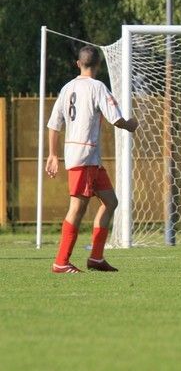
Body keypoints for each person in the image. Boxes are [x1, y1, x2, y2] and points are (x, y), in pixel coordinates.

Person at [46, 45, 138, 273]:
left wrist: (53, 154)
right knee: (77, 208)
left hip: (87, 158)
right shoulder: (98, 87)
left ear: (78, 64)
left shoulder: (67, 88)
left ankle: (96, 258)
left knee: (111, 202)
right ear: (98, 65)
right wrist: (130, 125)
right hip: (84, 156)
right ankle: (61, 262)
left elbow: (53, 124)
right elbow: (116, 119)